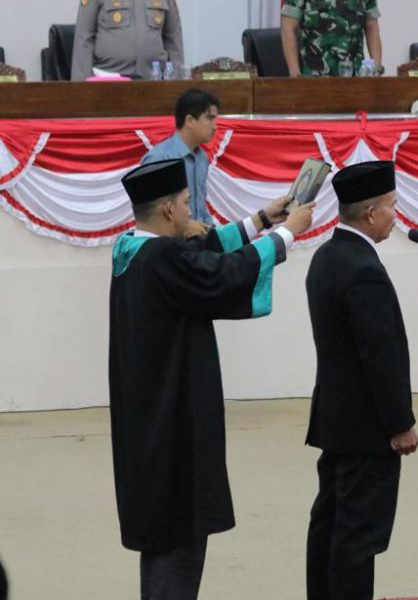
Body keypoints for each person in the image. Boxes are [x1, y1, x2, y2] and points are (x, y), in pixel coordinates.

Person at [110, 158, 314, 599]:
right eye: (186, 203)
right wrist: (286, 233)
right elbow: (219, 275)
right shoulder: (163, 259)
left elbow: (198, 254)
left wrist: (261, 220)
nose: (191, 212)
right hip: (174, 426)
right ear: (167, 209)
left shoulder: (132, 249)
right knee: (179, 534)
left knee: (161, 538)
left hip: (149, 422)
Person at [305, 161, 418, 600]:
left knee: (330, 524)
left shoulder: (326, 256)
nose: (395, 214)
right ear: (371, 213)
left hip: (336, 420)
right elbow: (380, 355)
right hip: (368, 429)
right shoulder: (363, 269)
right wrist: (400, 423)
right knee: (357, 538)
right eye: (392, 205)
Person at [141, 89, 220, 236]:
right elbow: (147, 214)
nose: (215, 126)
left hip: (197, 243)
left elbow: (200, 206)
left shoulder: (202, 158)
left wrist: (213, 233)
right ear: (190, 121)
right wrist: (185, 227)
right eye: (209, 118)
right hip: (167, 245)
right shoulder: (159, 158)